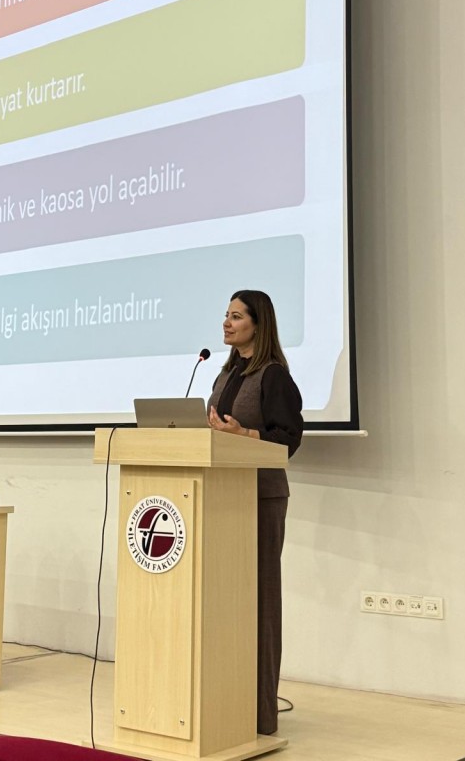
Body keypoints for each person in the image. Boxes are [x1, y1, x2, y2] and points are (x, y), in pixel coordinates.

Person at [207, 289, 303, 737]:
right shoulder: (225, 373)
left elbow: (288, 439)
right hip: (221, 496)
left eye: (237, 316)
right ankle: (227, 699)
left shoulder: (273, 375)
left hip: (261, 497)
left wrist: (244, 434)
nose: (227, 323)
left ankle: (261, 712)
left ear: (258, 325)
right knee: (224, 600)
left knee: (260, 601)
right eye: (226, 315)